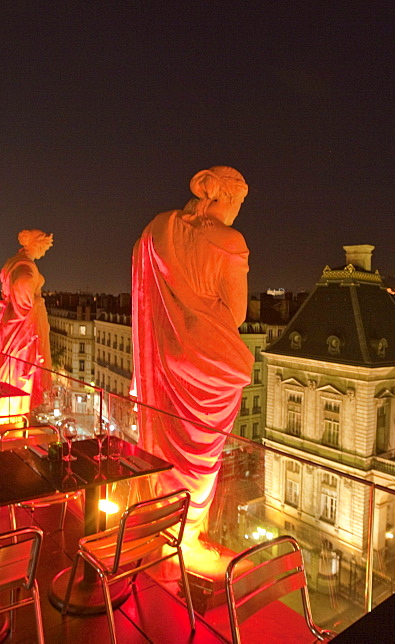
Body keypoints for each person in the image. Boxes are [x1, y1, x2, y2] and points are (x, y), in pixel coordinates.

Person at [132, 166, 252, 572]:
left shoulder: (159, 228)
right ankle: (186, 534)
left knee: (170, 447)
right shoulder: (230, 241)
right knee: (201, 458)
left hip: (168, 355)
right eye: (238, 203)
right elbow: (235, 313)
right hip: (208, 360)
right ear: (226, 199)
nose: (238, 211)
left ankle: (167, 526)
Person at [0, 230, 54, 420]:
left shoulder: (13, 261)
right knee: (19, 366)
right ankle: (11, 416)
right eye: (44, 249)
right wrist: (29, 306)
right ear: (37, 245)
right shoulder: (25, 264)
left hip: (14, 318)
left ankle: (8, 412)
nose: (44, 253)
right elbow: (23, 281)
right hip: (22, 323)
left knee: (11, 364)